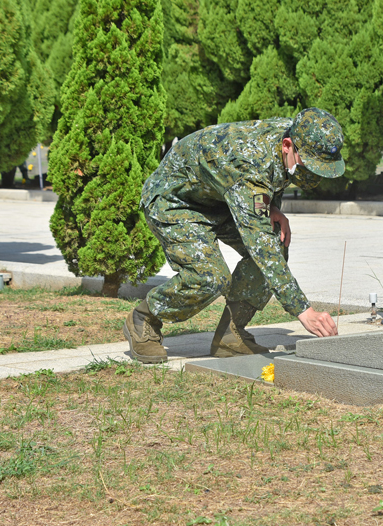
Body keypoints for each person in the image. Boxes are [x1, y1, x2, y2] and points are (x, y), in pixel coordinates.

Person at [123, 108, 343, 363]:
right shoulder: (248, 164)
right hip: (175, 201)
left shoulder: (294, 134)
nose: (314, 174)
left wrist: (273, 208)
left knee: (276, 240)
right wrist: (304, 311)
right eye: (310, 165)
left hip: (220, 198)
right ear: (287, 145)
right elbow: (261, 246)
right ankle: (143, 318)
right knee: (211, 278)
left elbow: (272, 177)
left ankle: (230, 334)